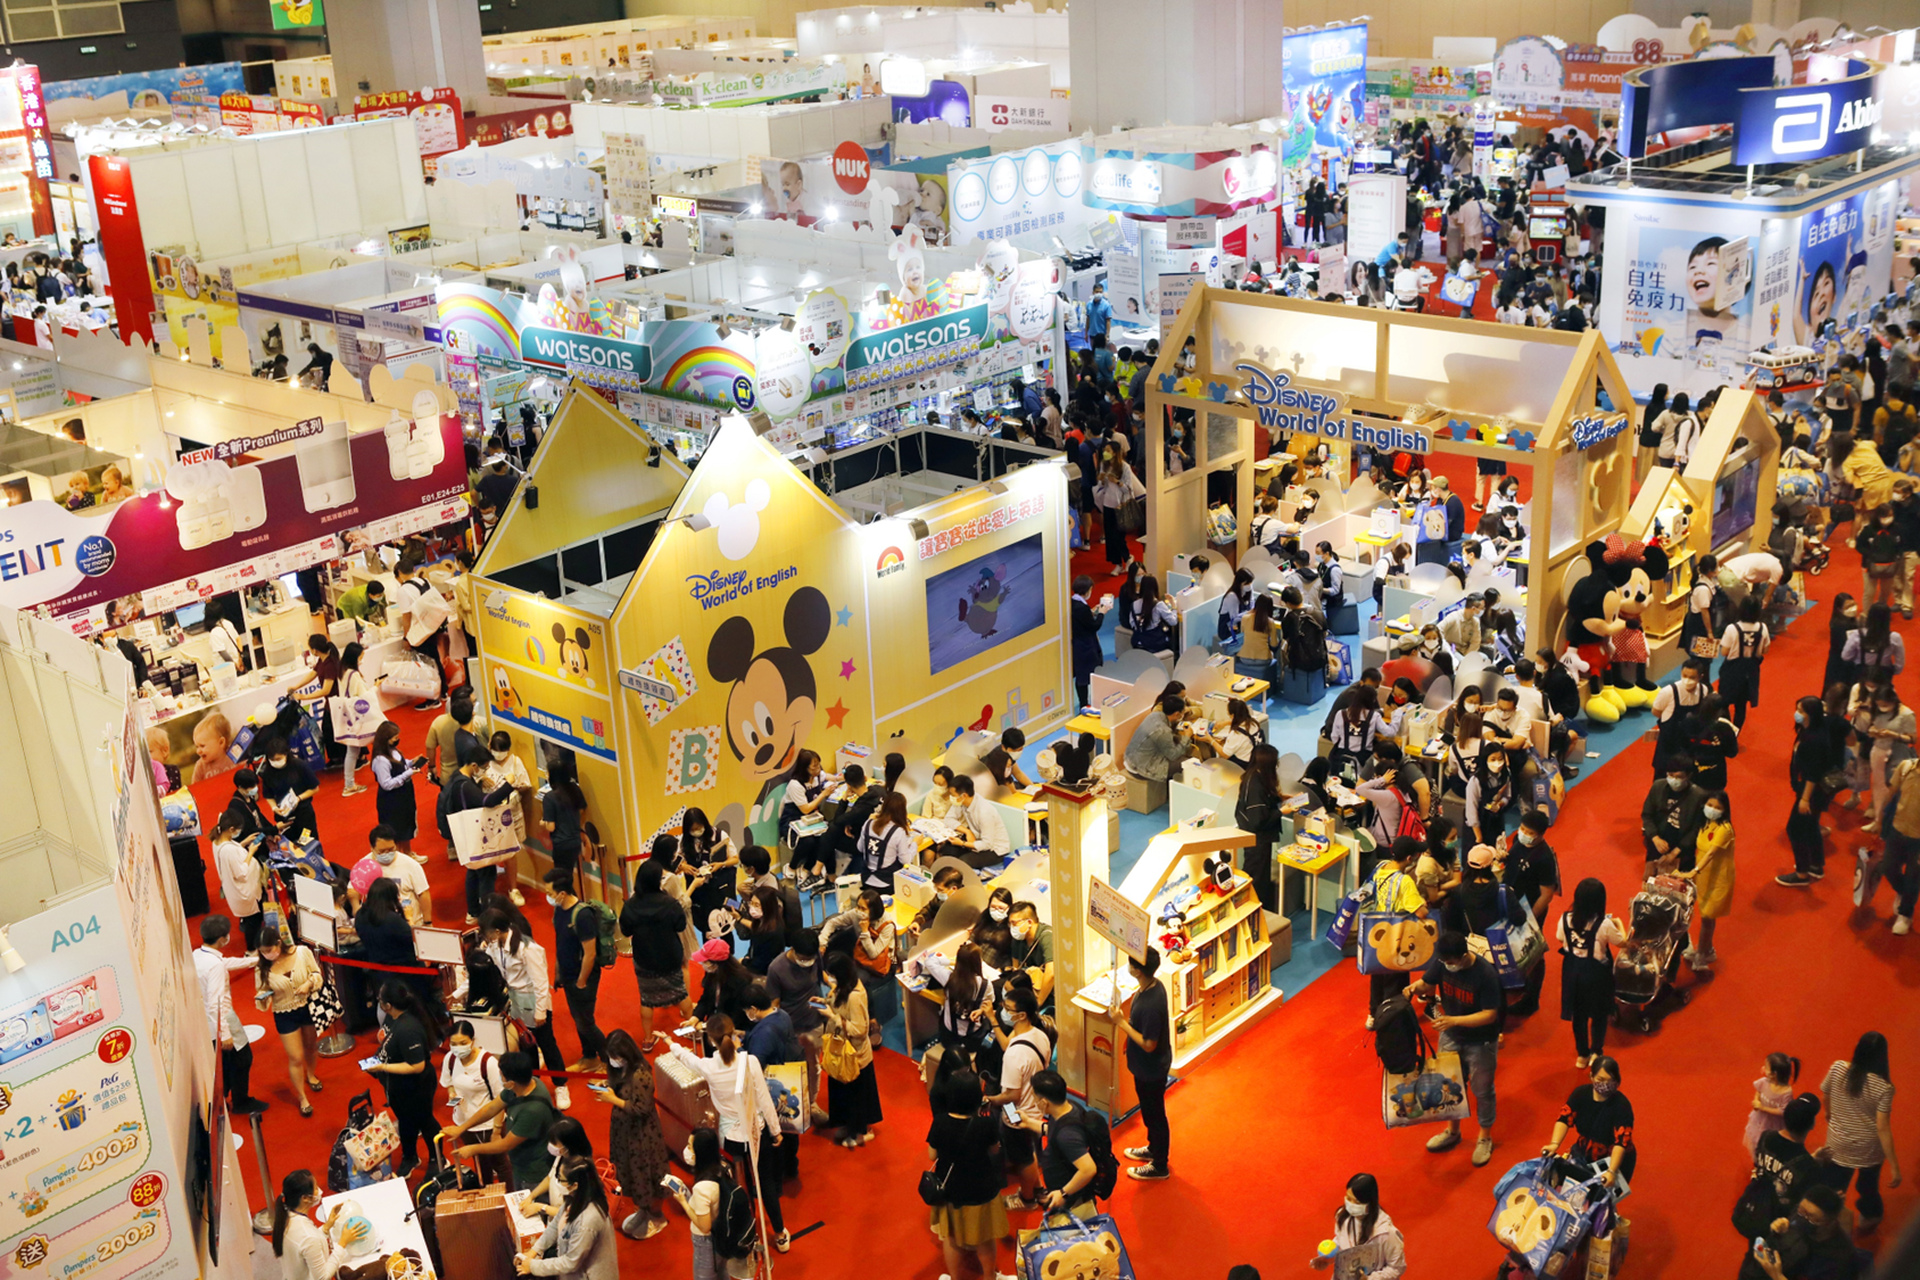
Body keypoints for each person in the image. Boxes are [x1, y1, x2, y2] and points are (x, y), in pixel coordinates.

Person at [657, 1015, 789, 1253]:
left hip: (730, 1138)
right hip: (756, 1131)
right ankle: (779, 1233)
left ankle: (745, 1233)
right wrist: (776, 1131)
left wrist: (669, 1041)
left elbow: (686, 1058)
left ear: (711, 1040)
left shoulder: (708, 1066)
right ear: (733, 1034)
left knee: (738, 1186)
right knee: (766, 1183)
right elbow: (764, 1100)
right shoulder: (750, 1062)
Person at [1407, 931, 1502, 1165]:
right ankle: (1453, 1131)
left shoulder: (1486, 974)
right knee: (1449, 1086)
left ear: (1463, 956)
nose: (1447, 965)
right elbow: (1427, 983)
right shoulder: (1442, 962)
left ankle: (1484, 1137)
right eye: (1444, 961)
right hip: (1451, 1036)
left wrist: (1454, 1021)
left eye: (1450, 962)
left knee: (1482, 1091)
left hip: (1481, 1041)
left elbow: (1490, 1015)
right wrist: (1415, 987)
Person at [925, 1066, 1013, 1280]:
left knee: (951, 1238)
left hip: (951, 1189)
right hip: (981, 1188)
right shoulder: (985, 1124)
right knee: (985, 1239)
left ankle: (954, 1277)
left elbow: (931, 1154)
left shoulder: (940, 1121)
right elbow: (995, 1150)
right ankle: (990, 1277)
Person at [584, 1028, 672, 1240]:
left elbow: (643, 1108)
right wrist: (607, 1086)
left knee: (647, 1173)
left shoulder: (641, 1074)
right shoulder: (621, 1070)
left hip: (642, 1135)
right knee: (629, 1172)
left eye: (616, 1056)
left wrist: (613, 1100)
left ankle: (656, 1215)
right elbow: (620, 1087)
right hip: (623, 1132)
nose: (613, 1061)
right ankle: (643, 1210)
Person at [1819, 1031, 1901, 1232]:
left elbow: (1825, 1094)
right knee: (1868, 1186)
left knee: (1834, 1186)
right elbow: (1882, 1127)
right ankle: (1870, 1215)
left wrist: (1829, 1113)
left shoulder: (1838, 1068)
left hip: (1838, 1144)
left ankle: (1830, 1220)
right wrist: (1894, 1166)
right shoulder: (1884, 1088)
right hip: (1869, 1149)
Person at [446, 1051, 561, 1192]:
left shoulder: (532, 1111)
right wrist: (462, 1128)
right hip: (519, 1163)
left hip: (533, 1172)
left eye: (501, 1075)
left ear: (511, 1082)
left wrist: (473, 1149)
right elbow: (493, 1107)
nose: (499, 1077)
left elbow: (506, 1144)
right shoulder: (522, 1086)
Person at [195, 915, 268, 1115]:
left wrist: (256, 960)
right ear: (222, 939)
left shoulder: (199, 955)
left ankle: (225, 1098)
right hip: (222, 1020)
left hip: (207, 1023)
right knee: (243, 1059)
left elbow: (225, 963)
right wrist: (225, 1033)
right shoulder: (215, 965)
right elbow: (215, 1002)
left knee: (225, 1064)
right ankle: (241, 1101)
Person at [986, 984, 1052, 1209]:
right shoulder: (1039, 1035)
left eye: (1008, 1008)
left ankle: (1027, 1198)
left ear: (1021, 1014)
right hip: (1035, 1106)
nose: (1004, 1012)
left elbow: (1011, 1095)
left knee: (1023, 1157)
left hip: (1017, 1113)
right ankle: (1038, 1189)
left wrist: (991, 1100)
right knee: (1029, 1151)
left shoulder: (1015, 1055)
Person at [364, 981, 436, 1176]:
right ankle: (410, 1156)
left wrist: (383, 1067)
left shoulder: (408, 1029)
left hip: (416, 1086)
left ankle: (437, 1159)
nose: (378, 1002)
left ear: (388, 1005)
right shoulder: (393, 1018)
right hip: (397, 1086)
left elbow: (417, 1065)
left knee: (425, 1122)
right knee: (405, 1121)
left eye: (380, 999)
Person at [254, 924, 325, 1117]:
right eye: (262, 952)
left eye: (269, 950)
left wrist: (308, 984)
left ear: (279, 943)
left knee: (311, 1046)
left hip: (308, 1007)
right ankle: (302, 1097)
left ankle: (311, 1074)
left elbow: (317, 974)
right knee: (295, 1057)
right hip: (284, 1013)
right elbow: (262, 993)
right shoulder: (262, 968)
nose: (267, 954)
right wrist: (262, 997)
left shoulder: (302, 952)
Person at [516, 1153, 617, 1280]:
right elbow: (555, 1225)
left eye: (560, 1179)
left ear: (574, 1185)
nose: (557, 1182)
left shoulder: (588, 1220)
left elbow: (571, 1262)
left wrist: (533, 1266)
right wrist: (533, 1251)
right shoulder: (575, 1197)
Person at [1117, 946, 1172, 1181]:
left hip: (1151, 1069)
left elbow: (1149, 1044)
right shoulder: (1152, 986)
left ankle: (1159, 1165)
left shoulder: (1151, 1003)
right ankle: (1153, 1148)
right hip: (1144, 1065)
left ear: (1138, 970)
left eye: (1131, 963)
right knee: (1150, 1113)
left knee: (1154, 1115)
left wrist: (1121, 1023)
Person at [621, 860, 692, 1037]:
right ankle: (692, 1031)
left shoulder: (630, 905)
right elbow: (680, 926)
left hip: (644, 958)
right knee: (681, 994)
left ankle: (647, 1038)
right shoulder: (670, 903)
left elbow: (626, 930)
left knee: (646, 999)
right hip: (670, 956)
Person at [546, 868, 607, 1071]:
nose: (548, 897)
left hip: (584, 977)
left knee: (586, 1023)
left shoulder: (582, 915)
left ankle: (610, 1061)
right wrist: (558, 972)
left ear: (562, 893)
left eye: (550, 893)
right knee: (578, 1018)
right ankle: (589, 1057)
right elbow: (560, 943)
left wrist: (581, 981)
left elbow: (590, 953)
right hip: (568, 974)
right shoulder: (559, 910)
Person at [822, 948, 882, 1151]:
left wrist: (832, 1017)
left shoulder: (855, 995)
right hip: (841, 1051)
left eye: (832, 974)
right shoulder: (844, 986)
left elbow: (860, 1029)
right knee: (842, 1094)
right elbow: (838, 1005)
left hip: (854, 1055)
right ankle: (847, 1126)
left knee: (856, 1097)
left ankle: (860, 1132)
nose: (829, 979)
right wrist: (824, 1003)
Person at [1543, 1055, 1636, 1185]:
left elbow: (1621, 1143)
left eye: (1610, 1081)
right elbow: (1564, 1119)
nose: (1605, 1085)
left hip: (1613, 1159)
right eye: (1600, 1079)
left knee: (1601, 1195)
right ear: (1592, 1076)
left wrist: (1611, 1171)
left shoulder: (1622, 1106)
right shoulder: (1580, 1094)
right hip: (1584, 1151)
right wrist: (1555, 1144)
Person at [1738, 1183, 1858, 1280]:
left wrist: (1777, 1276)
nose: (1802, 1218)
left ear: (1830, 1223)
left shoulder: (1839, 1260)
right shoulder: (1800, 1216)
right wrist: (1778, 1230)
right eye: (1801, 1211)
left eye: (1812, 1218)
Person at [441, 1020, 511, 1185]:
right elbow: (449, 1082)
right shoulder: (450, 1059)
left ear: (472, 1041)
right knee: (481, 1164)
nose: (458, 1048)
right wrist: (452, 1093)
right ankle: (487, 1193)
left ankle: (509, 1194)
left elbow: (501, 1099)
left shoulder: (488, 1063)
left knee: (500, 1164)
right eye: (453, 1044)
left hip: (487, 1125)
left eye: (463, 1043)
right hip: (463, 1123)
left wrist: (496, 1131)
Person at [271, 1168, 370, 1280]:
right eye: (315, 1188)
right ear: (305, 1198)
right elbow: (323, 1277)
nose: (319, 1191)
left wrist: (326, 1227)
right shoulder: (308, 1236)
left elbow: (305, 1245)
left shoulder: (286, 1218)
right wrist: (343, 1242)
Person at [1780, 696, 1836, 887]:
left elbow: (1813, 773)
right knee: (1811, 826)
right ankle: (1816, 865)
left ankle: (1802, 873)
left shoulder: (1814, 739)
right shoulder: (1809, 730)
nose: (1797, 714)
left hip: (1811, 792)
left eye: (1801, 711)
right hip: (1809, 789)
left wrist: (1805, 799)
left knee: (1795, 829)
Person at [1308, 1173, 1407, 1279]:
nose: (1350, 1204)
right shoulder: (1342, 1217)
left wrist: (1369, 1279)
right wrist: (1328, 1258)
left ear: (1369, 1203)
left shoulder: (1387, 1233)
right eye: (1348, 1198)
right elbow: (1342, 1241)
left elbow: (1397, 1268)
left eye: (1356, 1202)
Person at [1235, 744, 1285, 913]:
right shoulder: (1255, 784)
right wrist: (1281, 811)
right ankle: (1252, 911)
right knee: (1256, 877)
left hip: (1258, 838)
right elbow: (1258, 820)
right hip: (1257, 839)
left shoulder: (1254, 776)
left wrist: (1281, 798)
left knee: (1260, 875)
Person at [348, 825, 432, 922]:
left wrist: (428, 922)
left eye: (391, 849)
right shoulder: (364, 866)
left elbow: (423, 893)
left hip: (409, 922)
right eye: (382, 851)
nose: (387, 854)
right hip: (379, 922)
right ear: (372, 848)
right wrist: (356, 907)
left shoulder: (411, 865)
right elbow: (352, 890)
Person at [1641, 754, 1708, 878]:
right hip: (1658, 842)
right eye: (1671, 775)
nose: (1674, 780)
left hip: (1683, 848)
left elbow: (1697, 828)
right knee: (1652, 880)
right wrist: (1655, 837)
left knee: (1680, 884)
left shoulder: (1698, 796)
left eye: (1679, 777)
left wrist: (1675, 852)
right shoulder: (1658, 787)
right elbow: (1647, 815)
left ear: (1688, 776)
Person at [368, 722, 426, 855]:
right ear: (386, 739)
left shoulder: (393, 751)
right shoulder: (380, 760)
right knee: (397, 830)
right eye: (395, 738)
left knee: (407, 824)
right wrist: (408, 773)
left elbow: (400, 764)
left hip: (404, 795)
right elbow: (386, 784)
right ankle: (401, 856)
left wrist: (411, 762)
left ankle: (408, 852)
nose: (398, 740)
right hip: (392, 801)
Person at [211, 812, 266, 952]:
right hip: (244, 892)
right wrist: (251, 852)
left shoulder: (218, 840)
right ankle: (251, 950)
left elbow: (232, 857)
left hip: (237, 889)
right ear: (231, 829)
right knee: (253, 922)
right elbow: (241, 874)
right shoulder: (228, 850)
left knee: (251, 920)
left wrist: (244, 843)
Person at [256, 736, 321, 846]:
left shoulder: (299, 766)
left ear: (286, 754)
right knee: (290, 847)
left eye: (278, 759)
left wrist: (299, 798)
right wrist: (274, 808)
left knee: (309, 844)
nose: (275, 762)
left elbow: (315, 788)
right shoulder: (267, 772)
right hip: (284, 817)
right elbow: (268, 795)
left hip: (303, 814)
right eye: (272, 760)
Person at [1125, 692, 1193, 783]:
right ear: (1177, 714)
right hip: (1142, 769)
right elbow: (1173, 755)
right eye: (1182, 713)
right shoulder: (1163, 731)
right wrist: (1187, 736)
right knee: (1189, 762)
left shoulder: (1153, 716)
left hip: (1131, 759)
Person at [541, 755, 589, 880]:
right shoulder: (575, 789)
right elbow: (582, 810)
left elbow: (551, 827)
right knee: (567, 874)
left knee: (562, 878)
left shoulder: (550, 798)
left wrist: (543, 823)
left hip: (561, 844)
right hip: (575, 841)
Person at [1747, 1053, 1804, 1157]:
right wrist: (1756, 1100)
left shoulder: (1786, 1092)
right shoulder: (1763, 1082)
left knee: (1772, 1145)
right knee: (1757, 1140)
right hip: (1761, 1120)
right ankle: (1758, 1160)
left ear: (1774, 1074)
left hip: (1775, 1124)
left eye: (1766, 1067)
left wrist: (1763, 1107)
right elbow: (1758, 1091)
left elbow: (1783, 1111)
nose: (1763, 1068)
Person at [1070, 575, 1105, 708]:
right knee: (1088, 675)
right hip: (1086, 646)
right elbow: (1094, 626)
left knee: (1081, 676)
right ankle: (1086, 704)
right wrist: (1101, 613)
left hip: (1078, 644)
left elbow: (1082, 620)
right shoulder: (1081, 608)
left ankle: (1083, 703)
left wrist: (1091, 613)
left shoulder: (1072, 602)